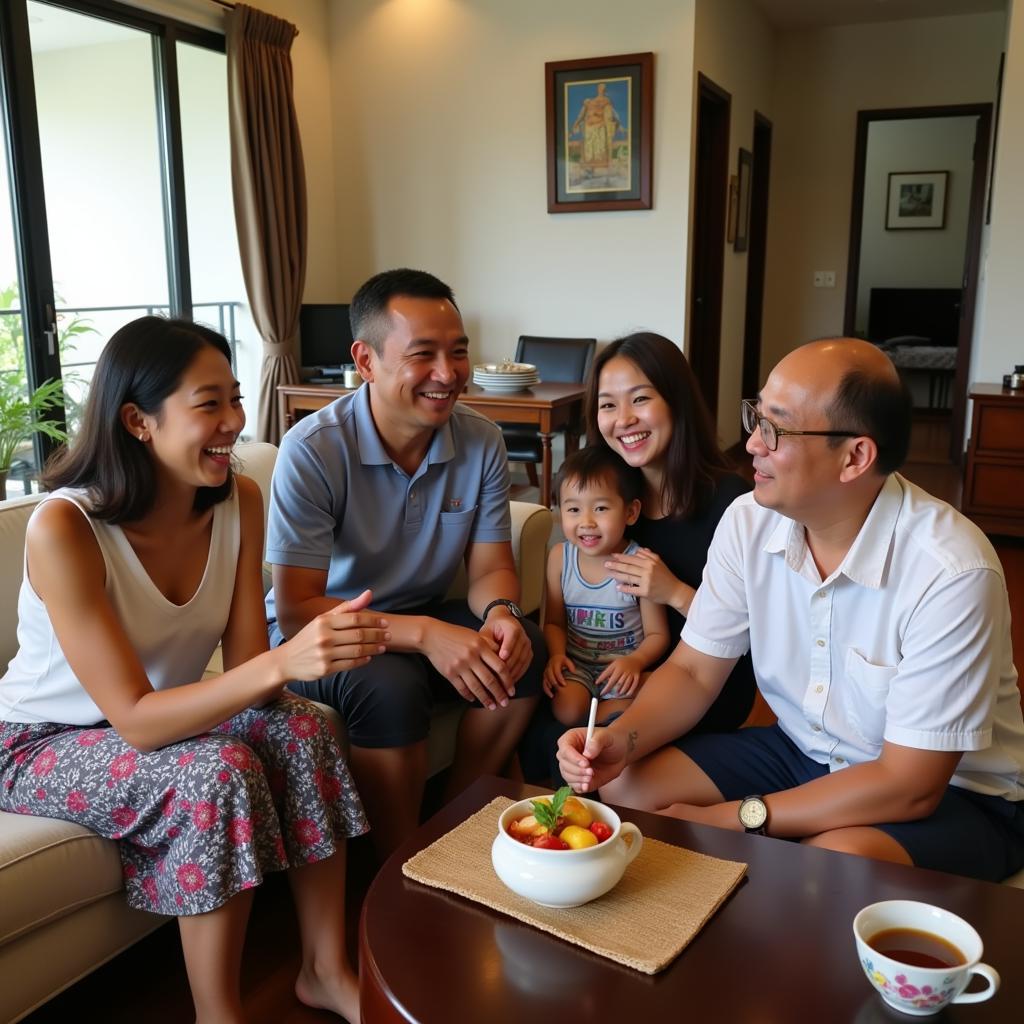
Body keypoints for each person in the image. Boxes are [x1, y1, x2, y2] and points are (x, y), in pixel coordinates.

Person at [0, 317, 387, 1023]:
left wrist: (310, 653)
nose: (235, 423)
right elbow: (137, 721)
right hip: (40, 743)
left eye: (236, 400)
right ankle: (219, 1016)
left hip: (156, 714)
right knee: (218, 770)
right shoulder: (65, 529)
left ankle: (324, 970)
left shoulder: (239, 501)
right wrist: (282, 660)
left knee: (304, 729)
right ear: (138, 421)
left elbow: (248, 668)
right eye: (210, 404)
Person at [558, 339, 1024, 882]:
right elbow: (692, 670)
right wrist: (622, 739)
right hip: (803, 748)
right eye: (755, 416)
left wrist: (737, 818)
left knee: (830, 860)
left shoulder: (950, 570)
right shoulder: (747, 521)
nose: (752, 442)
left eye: (775, 428)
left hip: (954, 794)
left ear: (855, 456)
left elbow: (910, 783)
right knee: (624, 786)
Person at [267, 268, 545, 859]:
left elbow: (491, 566)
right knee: (388, 686)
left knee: (525, 650)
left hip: (422, 614)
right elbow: (296, 612)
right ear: (365, 361)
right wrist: (424, 636)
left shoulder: (481, 440)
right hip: (326, 637)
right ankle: (397, 865)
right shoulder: (314, 449)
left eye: (459, 352)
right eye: (424, 355)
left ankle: (458, 824)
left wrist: (501, 611)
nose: (448, 375)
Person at [520, 332, 754, 784]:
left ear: (676, 402)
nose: (623, 420)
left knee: (596, 751)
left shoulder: (733, 504)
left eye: (640, 399)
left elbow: (762, 633)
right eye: (608, 405)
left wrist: (676, 593)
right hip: (608, 676)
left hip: (702, 686)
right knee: (545, 730)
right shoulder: (607, 502)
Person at [543, 445, 669, 727]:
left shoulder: (639, 564)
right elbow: (553, 622)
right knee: (566, 709)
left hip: (625, 670)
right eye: (573, 509)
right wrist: (556, 656)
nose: (586, 522)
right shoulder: (559, 559)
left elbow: (657, 634)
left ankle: (607, 717)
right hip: (579, 667)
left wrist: (635, 662)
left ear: (630, 512)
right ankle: (605, 719)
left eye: (600, 508)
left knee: (662, 690)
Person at [571, 82, 623, 175]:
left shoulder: (606, 101)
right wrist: (576, 123)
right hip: (589, 127)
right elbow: (581, 115)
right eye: (600, 88)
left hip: (600, 126)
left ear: (604, 90)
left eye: (603, 88)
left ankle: (600, 166)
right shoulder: (589, 102)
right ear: (598, 89)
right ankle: (590, 167)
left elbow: (611, 115)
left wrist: (617, 124)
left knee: (599, 148)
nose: (602, 90)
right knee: (590, 148)